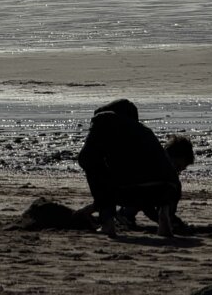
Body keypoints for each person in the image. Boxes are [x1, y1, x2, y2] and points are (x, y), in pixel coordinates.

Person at [76, 99, 194, 236]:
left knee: (97, 167)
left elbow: (86, 159)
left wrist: (98, 204)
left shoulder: (105, 125)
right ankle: (163, 216)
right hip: (167, 189)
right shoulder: (145, 133)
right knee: (158, 186)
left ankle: (107, 223)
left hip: (133, 190)